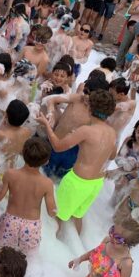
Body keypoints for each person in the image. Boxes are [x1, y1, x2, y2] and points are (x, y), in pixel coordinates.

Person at [37, 90, 116, 234]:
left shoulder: (86, 130)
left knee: (56, 217)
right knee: (77, 217)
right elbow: (112, 155)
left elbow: (57, 146)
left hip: (77, 182)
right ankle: (75, 245)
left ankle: (54, 246)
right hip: (96, 184)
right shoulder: (112, 132)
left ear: (90, 107)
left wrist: (47, 125)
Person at [0, 137, 56, 254]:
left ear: (22, 153)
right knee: (27, 256)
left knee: (2, 252)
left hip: (10, 222)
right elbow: (51, 212)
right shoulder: (47, 183)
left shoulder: (10, 174)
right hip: (31, 227)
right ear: (46, 161)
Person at [68, 219, 139, 277]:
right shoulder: (107, 241)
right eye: (112, 231)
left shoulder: (125, 262)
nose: (112, 236)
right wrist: (80, 259)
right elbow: (94, 252)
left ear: (128, 244)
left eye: (117, 238)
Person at [107, 117, 139, 206]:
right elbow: (118, 157)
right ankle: (110, 208)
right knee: (119, 186)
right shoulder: (129, 140)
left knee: (127, 200)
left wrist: (120, 171)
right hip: (125, 173)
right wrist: (125, 164)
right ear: (135, 130)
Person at [0, 100, 32, 172]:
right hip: (10, 171)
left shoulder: (1, 134)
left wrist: (0, 127)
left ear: (6, 115)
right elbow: (22, 152)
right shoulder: (27, 132)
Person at [106, 78, 136, 143]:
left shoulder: (131, 103)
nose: (109, 95)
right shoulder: (112, 99)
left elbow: (121, 106)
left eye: (111, 93)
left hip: (113, 139)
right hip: (103, 132)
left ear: (121, 94)